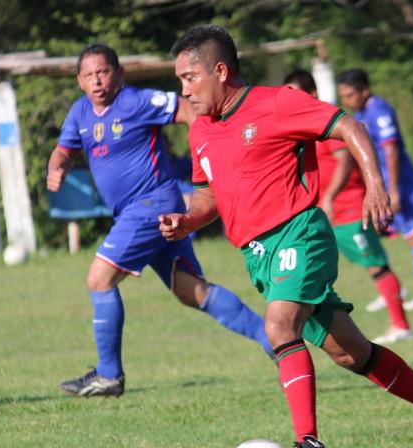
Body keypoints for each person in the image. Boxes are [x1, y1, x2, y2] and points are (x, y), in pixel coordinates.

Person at [162, 25, 413, 448]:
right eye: (180, 81)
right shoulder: (201, 132)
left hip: (299, 234)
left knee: (279, 325)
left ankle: (308, 444)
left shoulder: (276, 103)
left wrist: (375, 185)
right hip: (258, 255)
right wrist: (187, 220)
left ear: (220, 71)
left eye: (189, 78)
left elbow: (350, 126)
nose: (183, 90)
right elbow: (208, 195)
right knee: (352, 354)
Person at [47, 43, 273, 398]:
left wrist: (212, 148)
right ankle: (273, 338)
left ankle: (109, 375)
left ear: (118, 74)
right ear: (79, 81)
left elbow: (189, 112)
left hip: (151, 204)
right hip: (140, 212)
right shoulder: (79, 113)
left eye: (104, 72)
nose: (97, 80)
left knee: (99, 279)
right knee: (191, 291)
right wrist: (56, 166)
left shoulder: (135, 101)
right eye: (89, 75)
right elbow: (64, 149)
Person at [283, 70, 413, 344]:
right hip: (327, 215)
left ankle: (400, 325)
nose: (290, 99)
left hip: (349, 209)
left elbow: (344, 161)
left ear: (313, 93)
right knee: (316, 274)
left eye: (295, 93)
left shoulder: (326, 119)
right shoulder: (298, 124)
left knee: (376, 265)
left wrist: (329, 196)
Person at [337, 69, 413, 312]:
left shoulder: (379, 110)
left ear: (365, 90)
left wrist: (393, 189)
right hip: (382, 184)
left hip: (400, 181)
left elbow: (391, 150)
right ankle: (392, 290)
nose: (347, 101)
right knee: (377, 234)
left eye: (351, 94)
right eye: (344, 96)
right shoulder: (362, 112)